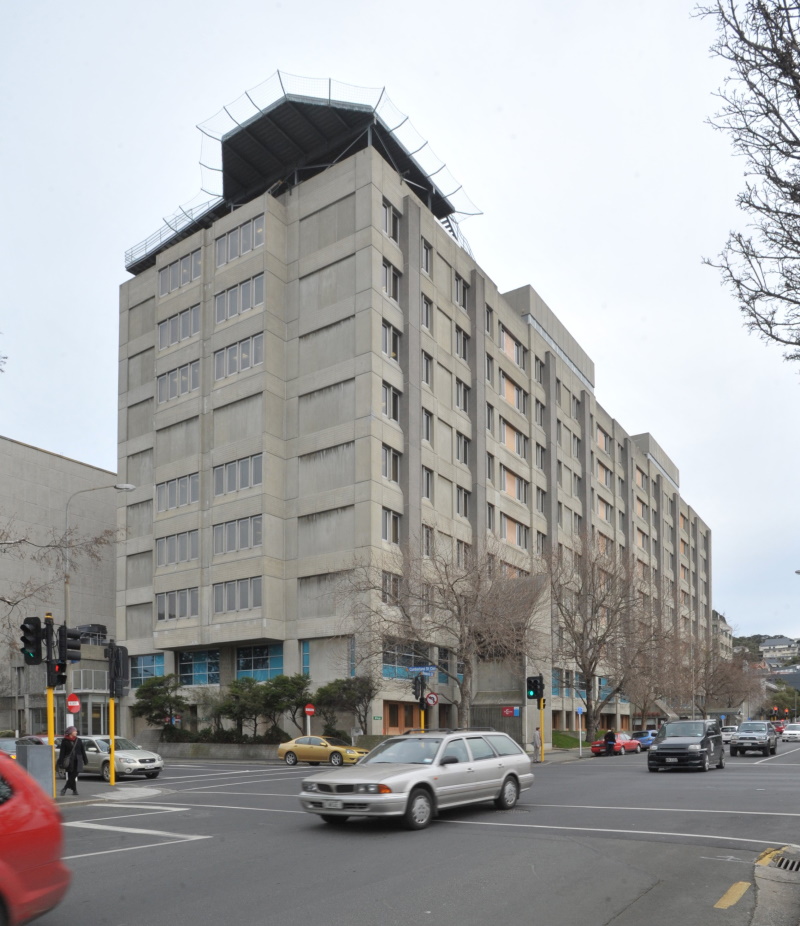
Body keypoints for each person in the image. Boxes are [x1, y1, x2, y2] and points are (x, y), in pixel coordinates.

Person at [58, 726, 87, 796]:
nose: (76, 732)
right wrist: (60, 762)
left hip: (78, 760)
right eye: (75, 731)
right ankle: (74, 790)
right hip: (69, 761)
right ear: (70, 732)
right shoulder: (65, 741)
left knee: (74, 775)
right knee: (71, 775)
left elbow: (82, 751)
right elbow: (62, 752)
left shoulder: (79, 740)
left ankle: (64, 788)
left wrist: (85, 759)